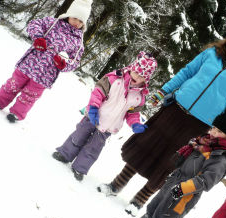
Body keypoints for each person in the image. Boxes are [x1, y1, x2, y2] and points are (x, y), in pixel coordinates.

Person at [97, 22, 226, 216]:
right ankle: (117, 184)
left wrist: (220, 129)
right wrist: (164, 90)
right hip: (176, 108)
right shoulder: (212, 53)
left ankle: (140, 199)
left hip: (201, 124)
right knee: (147, 145)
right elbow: (186, 72)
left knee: (172, 161)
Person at [124, 107, 226, 218]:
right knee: (154, 206)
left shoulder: (221, 157)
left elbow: (206, 181)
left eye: (219, 131)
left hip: (185, 193)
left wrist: (181, 189)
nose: (213, 132)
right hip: (175, 181)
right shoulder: (204, 143)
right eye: (214, 128)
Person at [52, 51, 157, 181]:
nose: (138, 76)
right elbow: (98, 92)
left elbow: (132, 113)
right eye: (136, 72)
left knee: (93, 148)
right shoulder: (115, 78)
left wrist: (135, 123)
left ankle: (80, 167)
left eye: (142, 76)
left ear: (147, 79)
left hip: (108, 126)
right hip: (93, 116)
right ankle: (65, 154)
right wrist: (94, 108)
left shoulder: (139, 97)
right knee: (78, 135)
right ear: (132, 68)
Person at [0, 0, 92, 122]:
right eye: (75, 18)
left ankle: (17, 113)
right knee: (13, 83)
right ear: (69, 15)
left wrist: (63, 65)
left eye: (81, 21)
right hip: (29, 64)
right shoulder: (52, 23)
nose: (77, 23)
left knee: (30, 95)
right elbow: (34, 24)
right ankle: (0, 100)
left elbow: (74, 61)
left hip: (46, 75)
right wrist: (38, 37)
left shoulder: (78, 42)